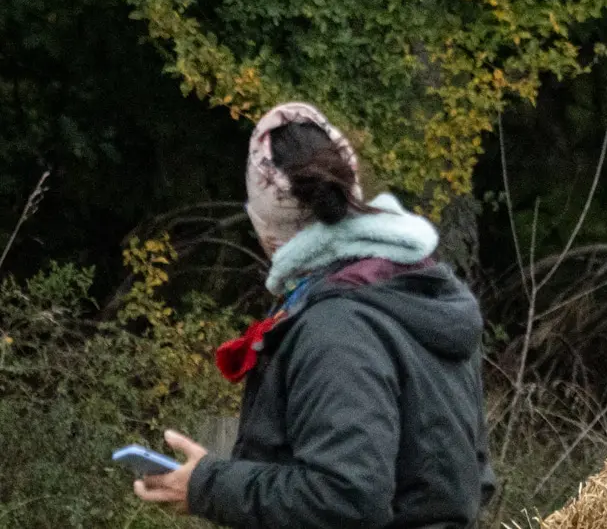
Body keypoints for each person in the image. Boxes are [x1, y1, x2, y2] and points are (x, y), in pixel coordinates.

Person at [133, 101, 496, 528]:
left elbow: (347, 498)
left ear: (268, 229)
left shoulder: (337, 329)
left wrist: (208, 486)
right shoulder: (422, 293)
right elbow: (478, 478)